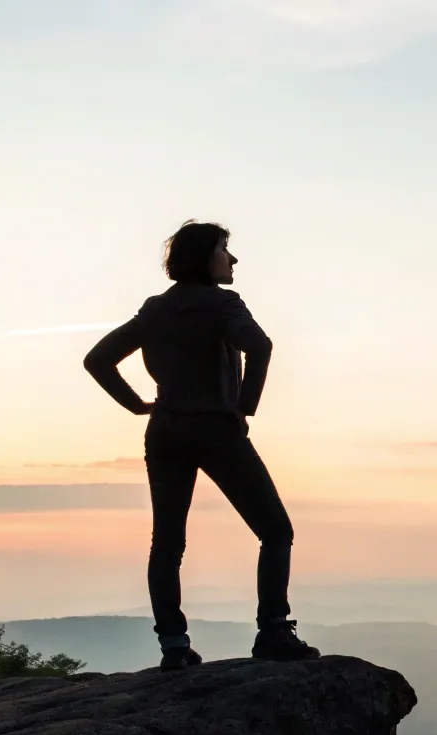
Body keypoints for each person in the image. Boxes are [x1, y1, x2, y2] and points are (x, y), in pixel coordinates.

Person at [83, 221, 319, 669]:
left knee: (167, 543)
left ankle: (173, 646)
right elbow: (260, 346)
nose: (232, 259)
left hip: (166, 430)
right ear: (205, 258)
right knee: (275, 531)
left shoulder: (155, 309)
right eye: (224, 249)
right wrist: (244, 406)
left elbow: (98, 359)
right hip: (216, 429)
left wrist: (138, 405)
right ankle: (273, 632)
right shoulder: (224, 304)